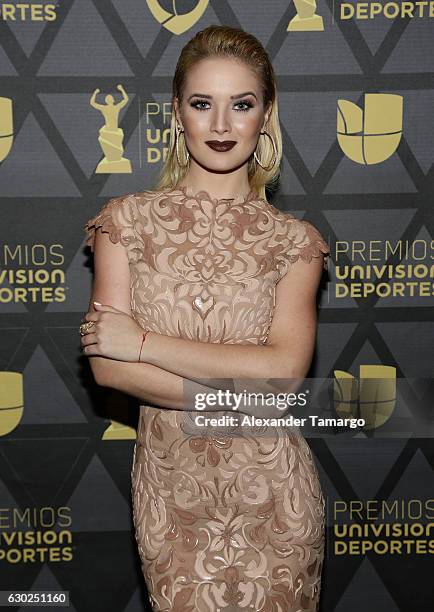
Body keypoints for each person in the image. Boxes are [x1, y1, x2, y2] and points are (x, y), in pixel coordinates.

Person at [81, 25, 330, 612]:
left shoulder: (294, 243)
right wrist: (245, 386)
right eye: (202, 104)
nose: (221, 126)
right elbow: (111, 374)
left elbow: (285, 376)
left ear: (266, 115)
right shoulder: (127, 224)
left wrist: (141, 341)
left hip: (275, 499)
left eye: (241, 105)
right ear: (177, 113)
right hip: (174, 501)